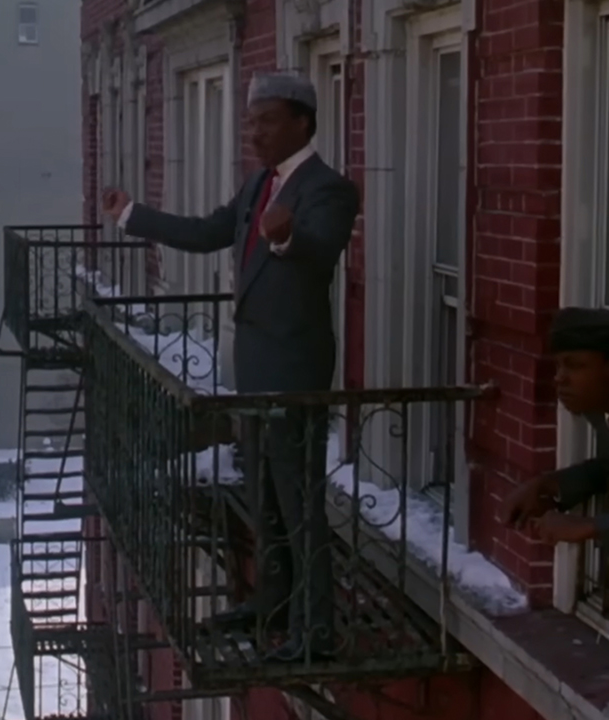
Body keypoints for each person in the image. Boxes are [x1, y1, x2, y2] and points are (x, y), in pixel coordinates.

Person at [101, 71, 359, 662]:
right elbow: (209, 232)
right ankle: (272, 602)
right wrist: (132, 215)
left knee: (299, 504)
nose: (255, 132)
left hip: (294, 370)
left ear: (302, 122)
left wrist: (288, 238)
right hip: (254, 368)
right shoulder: (258, 186)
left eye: (266, 121)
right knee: (263, 494)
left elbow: (319, 253)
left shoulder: (328, 189)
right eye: (250, 121)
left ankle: (313, 631)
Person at [500, 307, 609, 553]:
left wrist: (590, 526)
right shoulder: (599, 400)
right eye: (558, 366)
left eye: (575, 366)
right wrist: (548, 485)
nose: (559, 378)